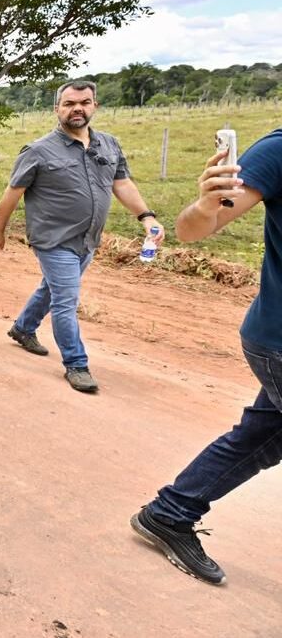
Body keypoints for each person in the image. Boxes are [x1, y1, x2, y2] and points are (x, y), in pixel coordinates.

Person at [130, 129, 281, 585]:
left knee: (264, 434)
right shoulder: (276, 151)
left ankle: (171, 512)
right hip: (278, 339)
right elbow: (194, 228)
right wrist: (205, 206)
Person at [0, 79, 164, 393]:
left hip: (88, 239)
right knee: (66, 302)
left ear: (94, 105)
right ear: (57, 109)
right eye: (69, 104)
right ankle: (76, 364)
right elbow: (12, 193)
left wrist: (146, 217)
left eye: (84, 102)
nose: (77, 109)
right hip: (53, 239)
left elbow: (122, 184)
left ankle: (23, 328)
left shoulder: (108, 145)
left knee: (52, 288)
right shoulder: (39, 151)